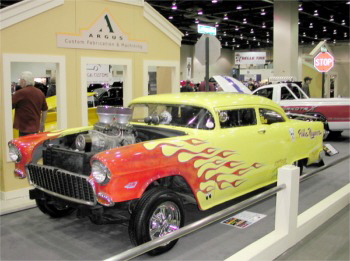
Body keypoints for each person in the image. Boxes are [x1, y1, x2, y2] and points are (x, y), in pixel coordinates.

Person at [12, 71, 48, 137]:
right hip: (36, 128)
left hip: (24, 129)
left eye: (20, 80)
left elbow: (9, 106)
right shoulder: (40, 92)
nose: (19, 82)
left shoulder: (19, 93)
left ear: (24, 81)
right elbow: (45, 109)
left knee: (24, 146)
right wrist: (42, 124)